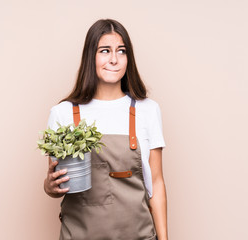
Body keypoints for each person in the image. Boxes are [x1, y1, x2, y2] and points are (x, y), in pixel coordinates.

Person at [44, 19, 168, 240]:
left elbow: (156, 184)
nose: (114, 59)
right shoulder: (62, 113)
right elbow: (55, 181)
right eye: (105, 50)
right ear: (90, 56)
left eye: (121, 51)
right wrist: (49, 186)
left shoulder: (148, 110)